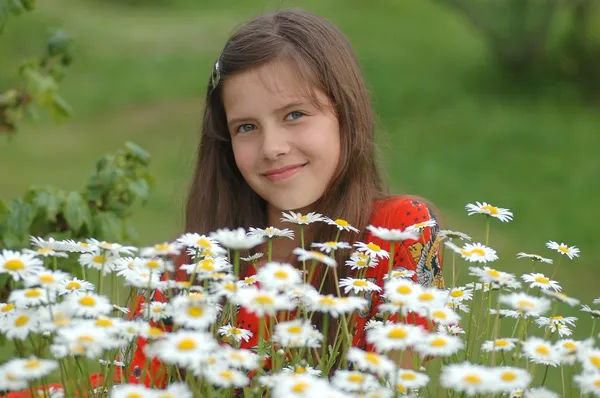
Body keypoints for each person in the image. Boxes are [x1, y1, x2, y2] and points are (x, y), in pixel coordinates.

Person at [3, 8, 444, 396]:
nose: (272, 147)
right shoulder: (190, 268)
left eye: (295, 115)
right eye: (246, 127)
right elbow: (132, 385)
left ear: (346, 115)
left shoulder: (401, 229)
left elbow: (392, 383)